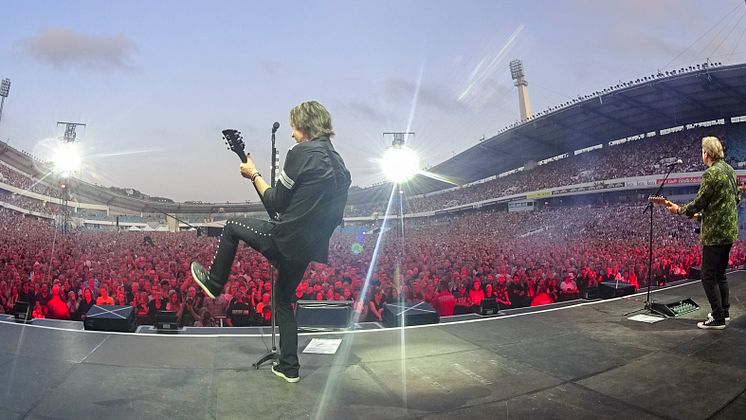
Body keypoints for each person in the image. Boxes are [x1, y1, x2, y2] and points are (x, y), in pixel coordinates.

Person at [191, 101, 351, 383]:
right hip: (307, 248)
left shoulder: (302, 153)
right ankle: (289, 366)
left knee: (231, 226)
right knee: (283, 301)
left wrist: (254, 174)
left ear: (305, 125)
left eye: (294, 128)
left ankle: (214, 283)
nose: (291, 135)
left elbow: (276, 201)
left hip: (286, 239)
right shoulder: (341, 165)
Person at [663, 136, 738, 330]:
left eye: (702, 151)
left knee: (707, 276)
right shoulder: (730, 171)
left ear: (707, 153)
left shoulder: (711, 174)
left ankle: (718, 317)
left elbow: (699, 202)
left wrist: (678, 210)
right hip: (729, 231)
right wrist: (712, 214)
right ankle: (725, 311)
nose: (702, 155)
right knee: (720, 273)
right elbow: (736, 199)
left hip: (714, 234)